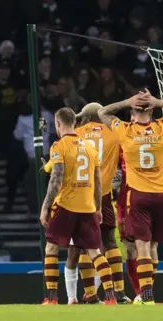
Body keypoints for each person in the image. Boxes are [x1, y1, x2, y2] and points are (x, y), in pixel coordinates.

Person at [98, 89, 163, 305]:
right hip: (160, 196)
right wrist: (155, 101)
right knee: (153, 246)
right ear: (152, 110)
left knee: (142, 246)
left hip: (137, 195)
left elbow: (102, 112)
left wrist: (128, 100)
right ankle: (144, 293)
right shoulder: (161, 127)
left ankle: (145, 295)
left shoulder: (125, 131)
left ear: (132, 112)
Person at [39, 107, 117, 306]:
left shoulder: (59, 146)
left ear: (58, 124)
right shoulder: (90, 147)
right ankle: (110, 298)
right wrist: (98, 207)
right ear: (74, 122)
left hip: (65, 205)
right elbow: (98, 181)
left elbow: (56, 179)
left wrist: (45, 207)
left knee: (52, 248)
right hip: (88, 206)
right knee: (95, 252)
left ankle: (52, 298)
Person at [60, 102, 129, 304]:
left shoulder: (76, 133)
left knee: (83, 246)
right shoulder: (115, 134)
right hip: (104, 194)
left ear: (87, 118)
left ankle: (90, 293)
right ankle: (119, 292)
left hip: (79, 195)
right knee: (110, 242)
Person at [119, 144, 163, 304]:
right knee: (135, 247)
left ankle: (143, 293)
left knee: (144, 245)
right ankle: (140, 293)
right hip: (140, 197)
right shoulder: (161, 142)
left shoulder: (126, 139)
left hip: (134, 198)